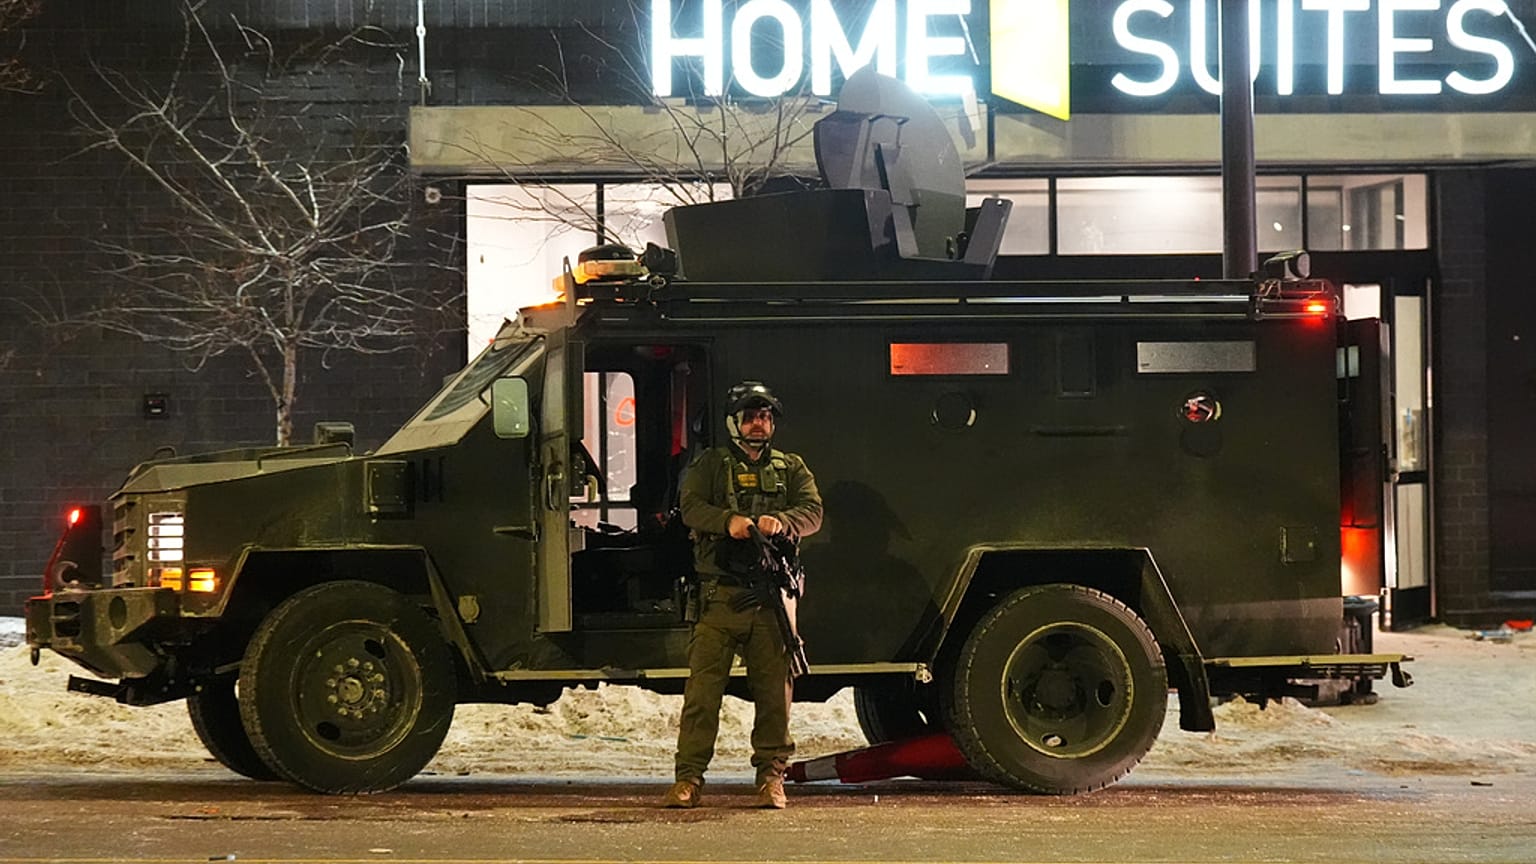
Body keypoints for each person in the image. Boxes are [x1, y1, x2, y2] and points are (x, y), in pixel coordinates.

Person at [663, 380, 823, 810]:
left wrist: (781, 521)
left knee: (775, 697)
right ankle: (689, 778)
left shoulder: (791, 468)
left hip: (769, 602)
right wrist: (728, 521)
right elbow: (690, 506)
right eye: (751, 416)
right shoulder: (711, 465)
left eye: (766, 416)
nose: (759, 424)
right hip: (719, 599)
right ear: (735, 422)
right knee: (702, 697)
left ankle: (772, 777)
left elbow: (812, 512)